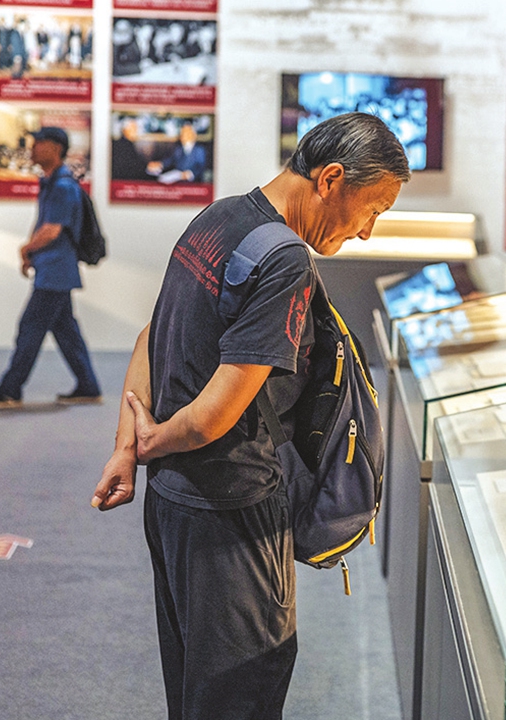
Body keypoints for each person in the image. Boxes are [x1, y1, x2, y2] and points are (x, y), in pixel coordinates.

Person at [90, 112, 409, 720]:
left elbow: (148, 340)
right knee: (244, 690)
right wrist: (152, 444)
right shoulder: (287, 261)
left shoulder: (219, 216)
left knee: (194, 688)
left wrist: (129, 450)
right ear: (332, 179)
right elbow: (214, 415)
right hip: (234, 512)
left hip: (174, 505)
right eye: (374, 209)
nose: (368, 232)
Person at [0, 127, 102, 409]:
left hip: (56, 273)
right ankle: (88, 386)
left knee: (30, 328)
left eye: (39, 143)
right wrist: (32, 252)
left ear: (56, 148)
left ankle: (9, 390)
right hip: (54, 269)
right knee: (66, 332)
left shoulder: (62, 186)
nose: (32, 147)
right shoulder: (51, 182)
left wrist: (26, 248)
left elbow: (52, 230)